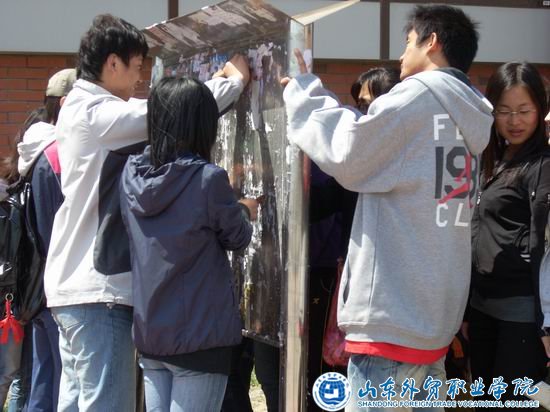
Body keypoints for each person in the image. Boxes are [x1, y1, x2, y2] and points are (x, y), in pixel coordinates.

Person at [282, 4, 494, 410]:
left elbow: (350, 153)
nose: (400, 55)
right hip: (432, 320)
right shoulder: (468, 113)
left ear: (431, 42)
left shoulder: (418, 96)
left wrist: (305, 93)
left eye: (408, 42)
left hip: (392, 317)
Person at [44, 14, 250, 411]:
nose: (141, 79)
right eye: (138, 66)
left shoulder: (78, 108)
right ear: (113, 63)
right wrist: (234, 81)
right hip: (98, 289)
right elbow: (163, 114)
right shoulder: (98, 115)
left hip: (74, 286)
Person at [119, 76, 257, 411]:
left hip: (152, 334)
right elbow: (237, 237)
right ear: (201, 124)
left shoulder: (131, 174)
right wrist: (243, 209)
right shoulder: (207, 178)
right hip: (200, 335)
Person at [306, 67, 400, 412]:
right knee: (339, 363)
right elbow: (321, 202)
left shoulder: (407, 155)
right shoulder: (355, 160)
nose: (364, 114)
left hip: (393, 288)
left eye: (371, 104)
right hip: (352, 275)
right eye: (360, 105)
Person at [468, 62, 550, 406]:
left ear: (540, 110)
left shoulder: (543, 164)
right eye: (504, 111)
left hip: (521, 313)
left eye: (524, 110)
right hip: (481, 306)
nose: (514, 121)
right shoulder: (493, 160)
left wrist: (547, 323)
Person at [16, 68, 76, 412]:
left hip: (36, 286)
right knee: (61, 383)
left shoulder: (33, 150)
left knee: (43, 379)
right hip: (59, 285)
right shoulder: (57, 154)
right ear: (66, 104)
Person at [0, 106, 49, 411]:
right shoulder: (18, 194)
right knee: (17, 375)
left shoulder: (13, 189)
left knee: (16, 375)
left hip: (18, 297)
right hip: (22, 299)